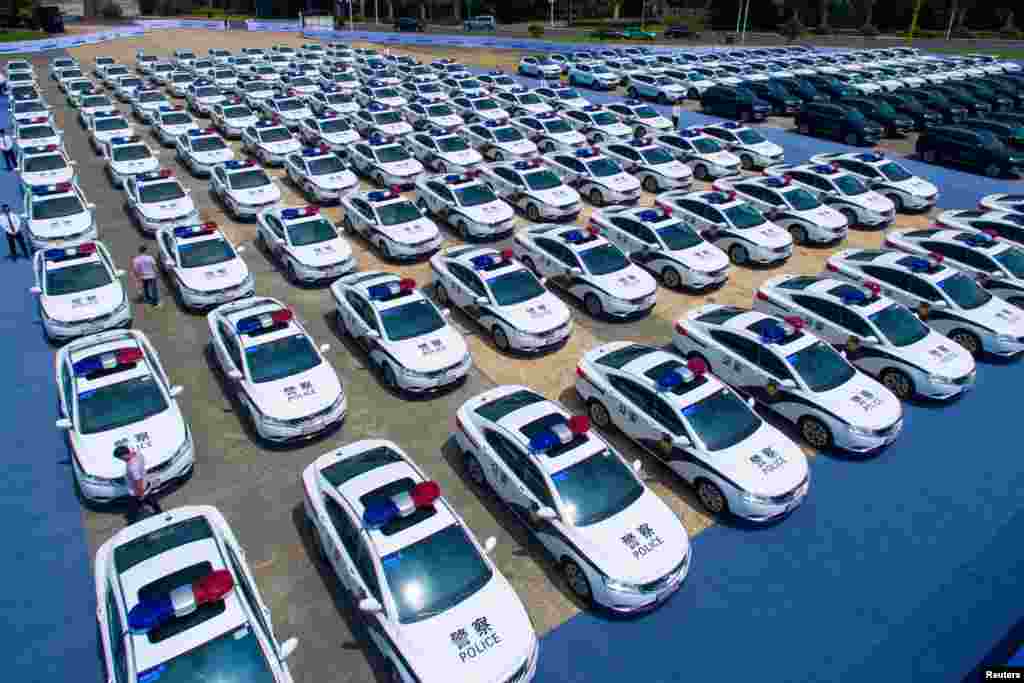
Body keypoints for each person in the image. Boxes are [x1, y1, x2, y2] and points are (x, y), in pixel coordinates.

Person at [115, 444, 161, 521]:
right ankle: (159, 511)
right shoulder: (138, 455)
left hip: (137, 491)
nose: (121, 459)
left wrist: (140, 493)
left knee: (133, 506)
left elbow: (138, 481)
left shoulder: (132, 467)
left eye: (120, 457)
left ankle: (132, 520)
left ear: (124, 455)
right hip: (145, 484)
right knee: (150, 500)